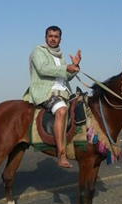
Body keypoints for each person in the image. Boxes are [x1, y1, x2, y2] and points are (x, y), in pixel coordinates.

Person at [23, 25, 81, 168]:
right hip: (47, 93)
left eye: (56, 37)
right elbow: (43, 69)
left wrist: (74, 67)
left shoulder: (60, 57)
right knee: (61, 111)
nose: (53, 39)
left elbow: (65, 76)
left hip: (64, 92)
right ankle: (61, 154)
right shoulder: (38, 51)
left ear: (60, 39)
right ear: (46, 38)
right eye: (50, 36)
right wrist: (65, 67)